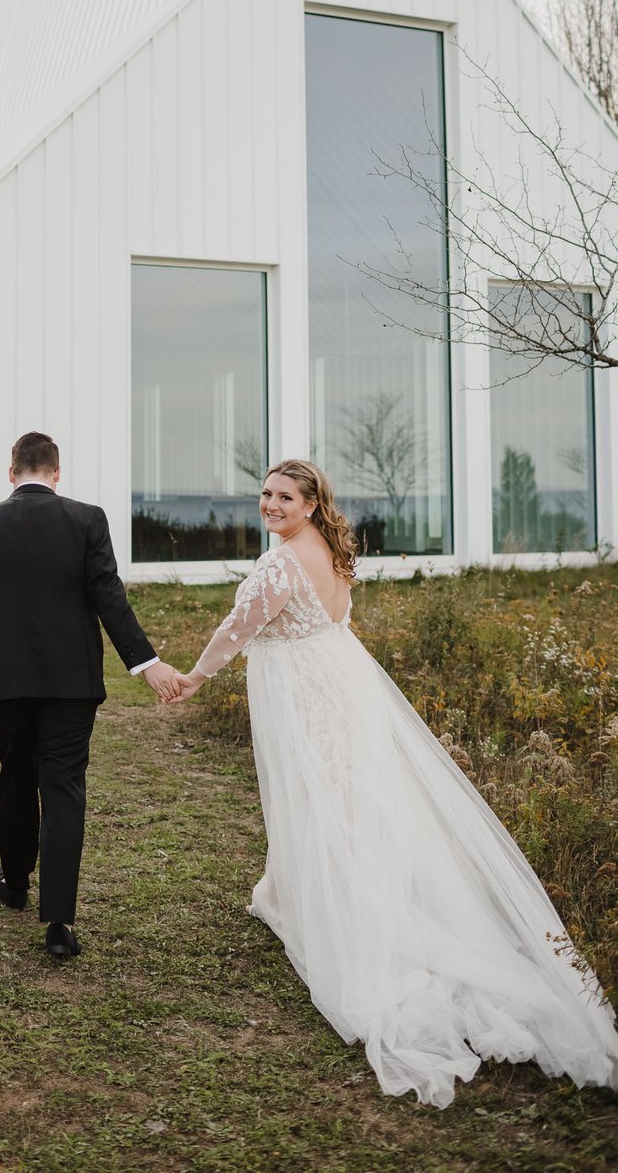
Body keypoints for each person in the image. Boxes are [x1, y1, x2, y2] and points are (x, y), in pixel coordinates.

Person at [173, 458, 618, 1107]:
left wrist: (193, 677)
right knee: (350, 803)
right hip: (339, 683)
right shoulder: (329, 547)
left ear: (310, 502)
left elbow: (237, 630)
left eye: (283, 496)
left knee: (323, 804)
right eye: (265, 493)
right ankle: (291, 890)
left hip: (306, 695)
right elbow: (334, 622)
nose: (269, 503)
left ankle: (345, 914)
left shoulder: (279, 563)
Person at [0, 431, 181, 959]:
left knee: (16, 772)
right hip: (70, 684)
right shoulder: (87, 520)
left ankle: (14, 884)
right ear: (56, 473)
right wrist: (145, 663)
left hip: (0, 683)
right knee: (64, 787)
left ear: (11, 473)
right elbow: (108, 596)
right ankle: (59, 924)